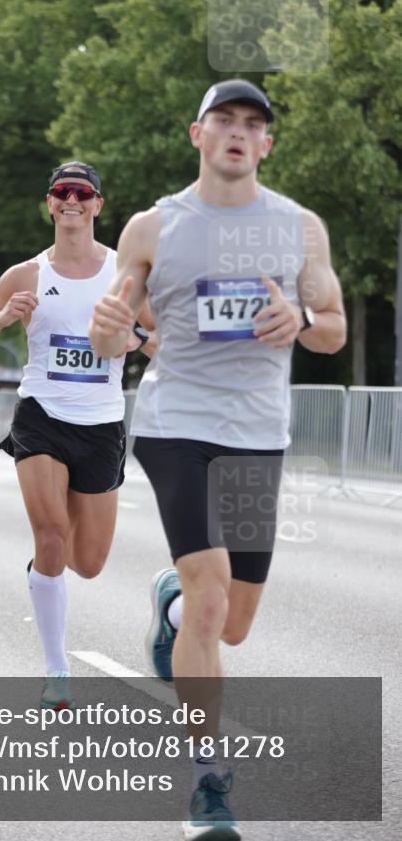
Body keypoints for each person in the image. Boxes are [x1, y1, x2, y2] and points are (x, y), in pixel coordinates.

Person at [89, 80, 346, 840]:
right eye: (223, 121)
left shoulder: (299, 229)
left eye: (252, 125)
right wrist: (110, 328)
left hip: (257, 432)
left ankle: (168, 606)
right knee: (211, 599)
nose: (237, 133)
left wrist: (298, 316)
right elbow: (111, 334)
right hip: (177, 424)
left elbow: (331, 327)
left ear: (265, 144)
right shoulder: (152, 226)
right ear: (196, 134)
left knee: (229, 624)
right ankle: (206, 782)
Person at [0, 161, 154, 709]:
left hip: (103, 424)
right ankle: (56, 669)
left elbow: (163, 340)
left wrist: (134, 338)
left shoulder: (125, 275)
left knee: (88, 562)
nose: (70, 200)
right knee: (51, 538)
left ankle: (161, 604)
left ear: (96, 205)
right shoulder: (27, 275)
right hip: (41, 415)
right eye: (61, 192)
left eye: (81, 193)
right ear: (49, 203)